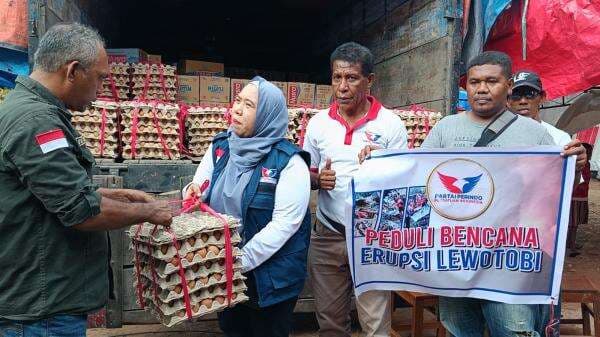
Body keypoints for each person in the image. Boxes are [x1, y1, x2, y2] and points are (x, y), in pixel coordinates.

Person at [0, 23, 172, 337]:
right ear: (73, 71)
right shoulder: (36, 123)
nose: (102, 88)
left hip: (42, 303)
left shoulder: (31, 111)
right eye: (100, 78)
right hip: (41, 312)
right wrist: (151, 213)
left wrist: (113, 195)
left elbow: (47, 191)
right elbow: (80, 211)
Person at [421, 51, 586, 337]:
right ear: (466, 86)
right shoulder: (445, 129)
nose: (481, 89)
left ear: (508, 85)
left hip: (509, 262)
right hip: (456, 259)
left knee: (514, 331)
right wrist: (378, 162)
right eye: (474, 82)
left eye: (491, 81)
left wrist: (575, 164)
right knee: (460, 330)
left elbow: (555, 194)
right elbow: (416, 179)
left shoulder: (534, 135)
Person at [183, 77, 311, 337]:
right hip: (228, 272)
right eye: (238, 101)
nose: (237, 109)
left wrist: (236, 261)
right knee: (234, 330)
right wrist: (192, 192)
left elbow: (285, 225)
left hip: (271, 279)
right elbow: (199, 186)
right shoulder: (221, 147)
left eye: (249, 105)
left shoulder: (289, 162)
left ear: (266, 115)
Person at [303, 42, 408, 337]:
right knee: (330, 322)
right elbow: (304, 174)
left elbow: (403, 186)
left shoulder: (390, 125)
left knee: (375, 325)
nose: (342, 87)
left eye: (352, 78)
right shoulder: (318, 124)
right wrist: (317, 180)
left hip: (371, 237)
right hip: (328, 233)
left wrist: (381, 164)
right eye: (337, 78)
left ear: (369, 80)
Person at [507, 70, 572, 146]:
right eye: (516, 95)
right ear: (507, 101)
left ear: (542, 98)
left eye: (530, 94)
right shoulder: (498, 137)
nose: (523, 101)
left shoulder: (560, 139)